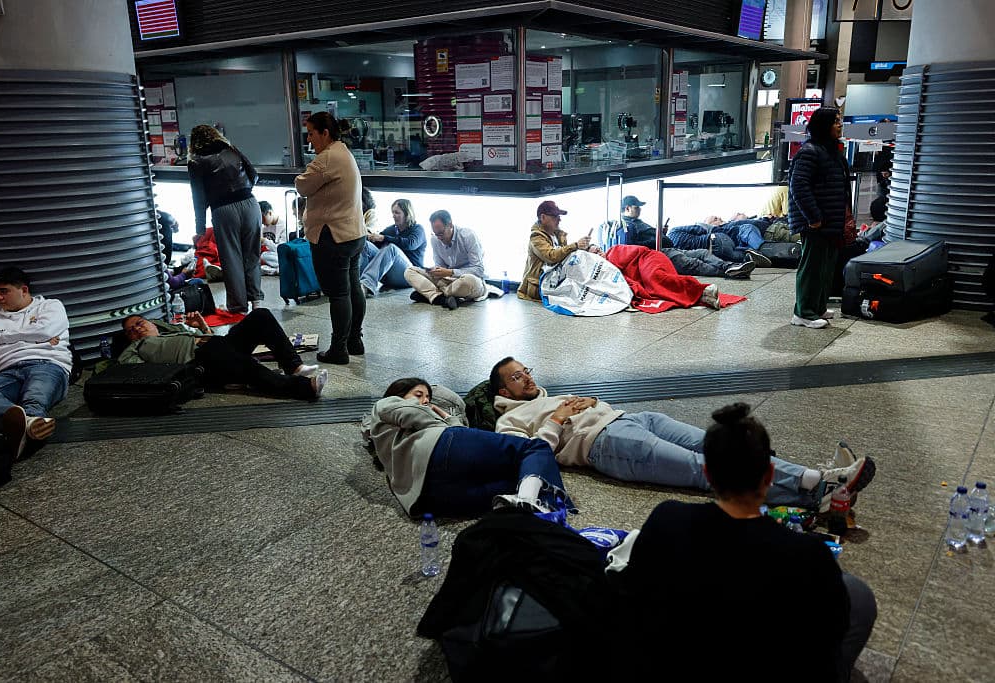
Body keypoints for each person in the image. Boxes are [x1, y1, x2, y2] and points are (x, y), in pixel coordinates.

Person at [617, 403, 876, 682]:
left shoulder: (665, 518)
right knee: (859, 596)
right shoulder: (808, 555)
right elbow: (830, 629)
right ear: (769, 475)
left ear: (708, 474)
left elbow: (634, 599)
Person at [490, 357, 875, 511]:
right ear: (504, 390)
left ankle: (818, 487)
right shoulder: (508, 421)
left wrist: (590, 401)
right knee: (704, 469)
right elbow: (532, 454)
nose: (528, 378)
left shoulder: (546, 395)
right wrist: (558, 419)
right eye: (518, 377)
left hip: (636, 419)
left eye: (527, 370)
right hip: (608, 444)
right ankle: (817, 484)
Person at [362, 377, 570, 518]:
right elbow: (417, 416)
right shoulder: (386, 403)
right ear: (399, 394)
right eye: (418, 394)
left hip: (426, 496)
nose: (425, 401)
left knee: (519, 480)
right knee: (535, 448)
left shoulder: (387, 446)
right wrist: (443, 419)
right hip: (441, 443)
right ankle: (537, 504)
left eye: (428, 398)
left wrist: (448, 419)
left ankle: (535, 508)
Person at [119, 309, 326, 401]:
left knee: (260, 316)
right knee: (249, 369)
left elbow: (208, 338)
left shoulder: (172, 331)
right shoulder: (138, 347)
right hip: (200, 362)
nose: (137, 329)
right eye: (131, 330)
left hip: (216, 345)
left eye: (139, 323)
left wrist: (202, 326)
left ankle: (294, 366)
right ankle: (304, 387)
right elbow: (128, 368)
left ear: (153, 324)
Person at [0, 267, 71, 460]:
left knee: (35, 397)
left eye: (4, 291)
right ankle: (29, 423)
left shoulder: (51, 306)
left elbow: (46, 331)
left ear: (24, 290)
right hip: (6, 371)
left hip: (48, 364)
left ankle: (24, 432)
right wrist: (33, 339)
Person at [295, 111, 368, 365]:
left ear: (325, 133)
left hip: (333, 236)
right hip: (353, 233)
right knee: (353, 287)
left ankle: (338, 349)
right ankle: (354, 340)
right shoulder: (344, 152)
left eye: (311, 133)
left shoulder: (327, 158)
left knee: (338, 294)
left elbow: (302, 186)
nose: (308, 139)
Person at [187, 124, 264, 313]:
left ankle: (238, 306)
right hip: (249, 203)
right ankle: (256, 301)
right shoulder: (231, 150)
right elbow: (254, 175)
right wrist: (243, 191)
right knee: (252, 255)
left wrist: (200, 228)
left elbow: (198, 197)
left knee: (231, 259)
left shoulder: (195, 162)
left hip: (223, 210)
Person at [789, 107, 851, 329]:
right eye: (835, 121)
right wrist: (813, 217)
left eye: (840, 120)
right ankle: (803, 312)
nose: (840, 124)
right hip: (816, 222)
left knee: (826, 267)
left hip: (831, 221)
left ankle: (817, 307)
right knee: (812, 267)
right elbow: (799, 186)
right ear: (823, 125)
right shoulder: (810, 152)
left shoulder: (832, 151)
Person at [620, 196, 755, 279]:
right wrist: (658, 237)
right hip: (658, 254)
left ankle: (730, 266)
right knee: (693, 264)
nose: (640, 209)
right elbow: (636, 246)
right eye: (636, 207)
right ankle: (729, 272)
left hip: (667, 249)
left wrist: (661, 234)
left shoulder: (637, 223)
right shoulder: (628, 226)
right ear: (627, 208)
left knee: (702, 253)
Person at [517, 200, 600, 301]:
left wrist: (586, 248)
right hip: (538, 288)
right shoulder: (536, 237)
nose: (559, 219)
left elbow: (564, 255)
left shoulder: (558, 235)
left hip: (553, 284)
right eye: (554, 217)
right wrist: (576, 245)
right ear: (543, 217)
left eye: (559, 216)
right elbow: (551, 256)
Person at [405, 210, 486, 310]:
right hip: (448, 281)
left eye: (441, 233)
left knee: (469, 281)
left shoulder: (468, 236)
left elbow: (479, 270)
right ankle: (440, 298)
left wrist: (451, 272)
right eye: (435, 234)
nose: (438, 238)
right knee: (410, 271)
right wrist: (436, 271)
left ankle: (431, 295)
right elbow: (440, 266)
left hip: (467, 281)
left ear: (450, 225)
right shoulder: (435, 239)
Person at [359, 198, 426, 297]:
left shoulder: (417, 229)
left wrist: (384, 238)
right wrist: (370, 238)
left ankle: (366, 286)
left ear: (407, 214)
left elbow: (410, 244)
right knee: (365, 245)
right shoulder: (391, 229)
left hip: (410, 276)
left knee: (391, 248)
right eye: (393, 212)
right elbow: (377, 244)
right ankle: (358, 283)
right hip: (389, 275)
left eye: (397, 213)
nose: (393, 215)